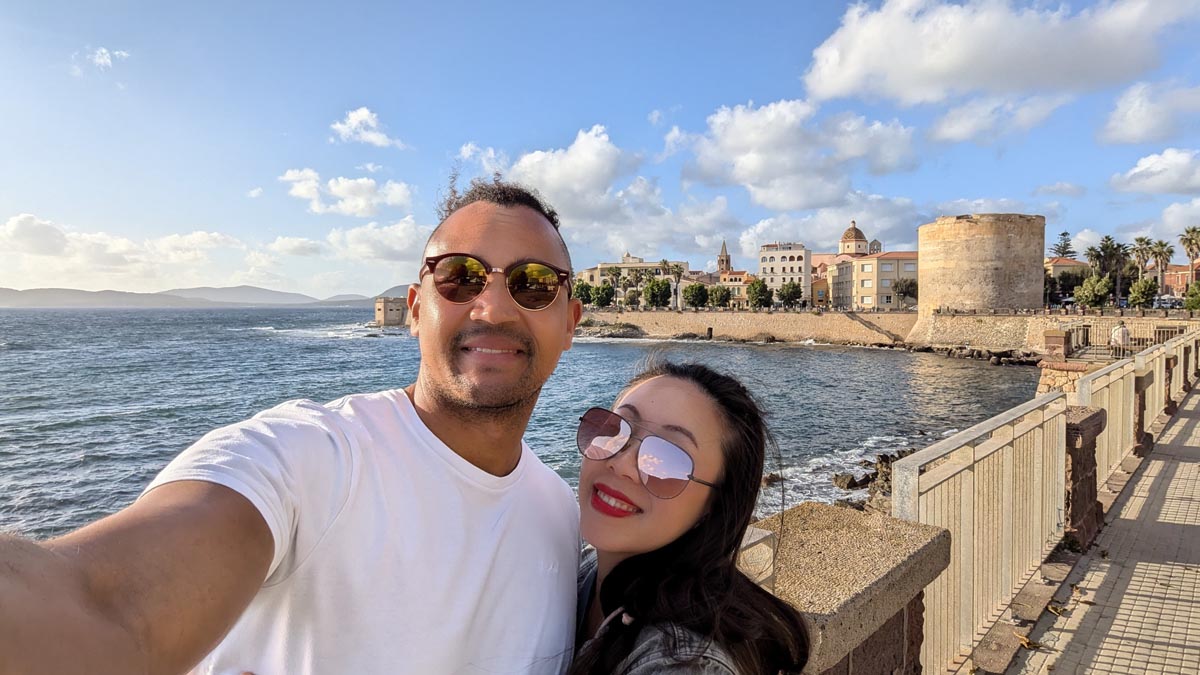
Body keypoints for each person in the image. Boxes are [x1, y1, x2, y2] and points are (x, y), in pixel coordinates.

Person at [0, 177, 584, 674]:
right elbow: (103, 605)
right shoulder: (312, 458)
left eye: (534, 284)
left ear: (571, 322)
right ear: (413, 308)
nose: (495, 307)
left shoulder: (562, 515)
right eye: (462, 276)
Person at [572, 362, 809, 674]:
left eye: (667, 460)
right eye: (616, 431)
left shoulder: (684, 663)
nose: (623, 464)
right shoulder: (580, 570)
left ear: (713, 505)